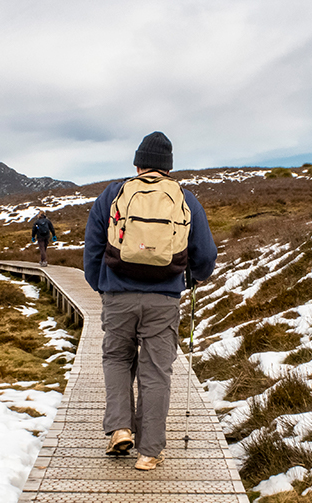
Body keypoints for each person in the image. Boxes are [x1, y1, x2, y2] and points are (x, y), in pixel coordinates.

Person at [84, 131, 217, 471]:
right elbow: (205, 253)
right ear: (168, 167)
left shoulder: (113, 194)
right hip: (164, 298)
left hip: (118, 295)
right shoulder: (185, 198)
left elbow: (94, 247)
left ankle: (120, 428)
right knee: (157, 372)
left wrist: (102, 285)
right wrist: (195, 275)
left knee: (116, 359)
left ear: (137, 163)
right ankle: (149, 451)